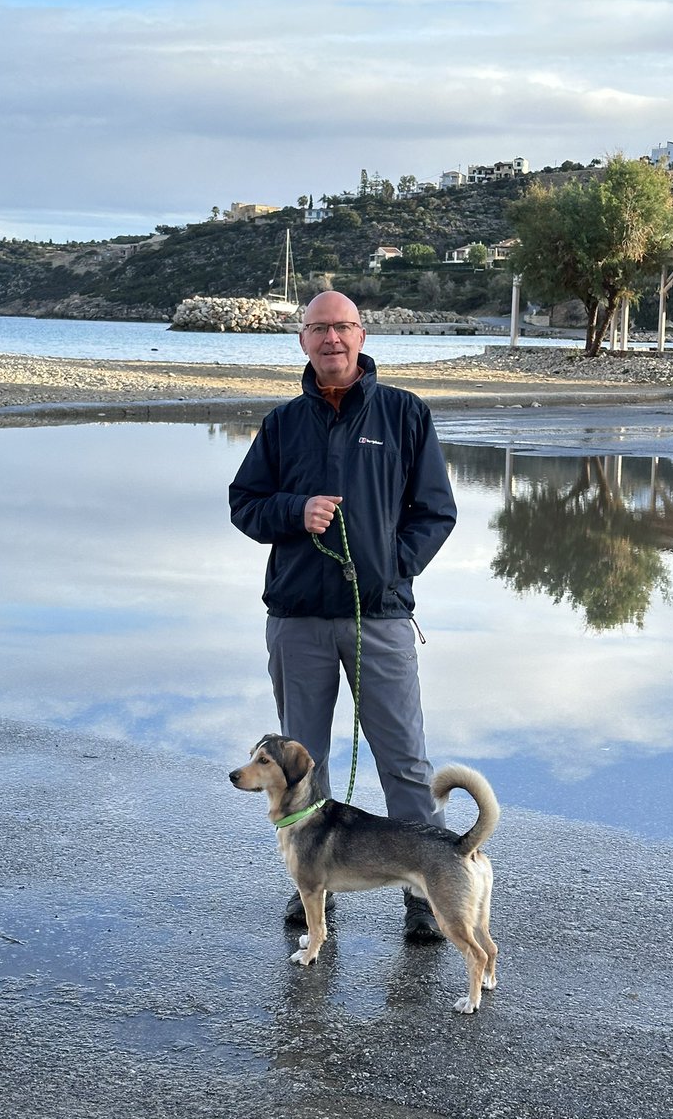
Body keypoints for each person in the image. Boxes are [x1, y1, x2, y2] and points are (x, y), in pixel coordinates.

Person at [228, 290, 457, 940]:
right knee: (303, 761)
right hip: (297, 618)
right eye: (319, 328)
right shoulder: (281, 425)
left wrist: (390, 570)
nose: (331, 338)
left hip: (378, 618)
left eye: (343, 327)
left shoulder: (405, 415)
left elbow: (435, 512)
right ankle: (313, 889)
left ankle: (425, 891)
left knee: (404, 762)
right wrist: (295, 512)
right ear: (302, 341)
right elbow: (245, 504)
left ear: (362, 335)